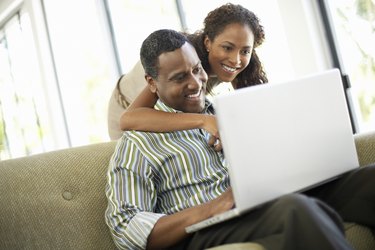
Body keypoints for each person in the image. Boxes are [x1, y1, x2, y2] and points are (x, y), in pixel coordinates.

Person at [105, 28, 359, 250]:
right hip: (209, 228)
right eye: (180, 78)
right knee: (296, 209)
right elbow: (125, 228)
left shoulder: (225, 111)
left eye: (197, 70)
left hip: (262, 204)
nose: (195, 84)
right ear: (151, 83)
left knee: (366, 180)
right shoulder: (137, 144)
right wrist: (215, 206)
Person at [107, 3, 267, 140]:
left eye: (245, 51)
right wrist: (204, 120)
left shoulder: (239, 63)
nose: (236, 60)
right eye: (227, 47)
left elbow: (251, 111)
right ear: (208, 43)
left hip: (166, 109)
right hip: (126, 106)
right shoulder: (182, 58)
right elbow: (128, 119)